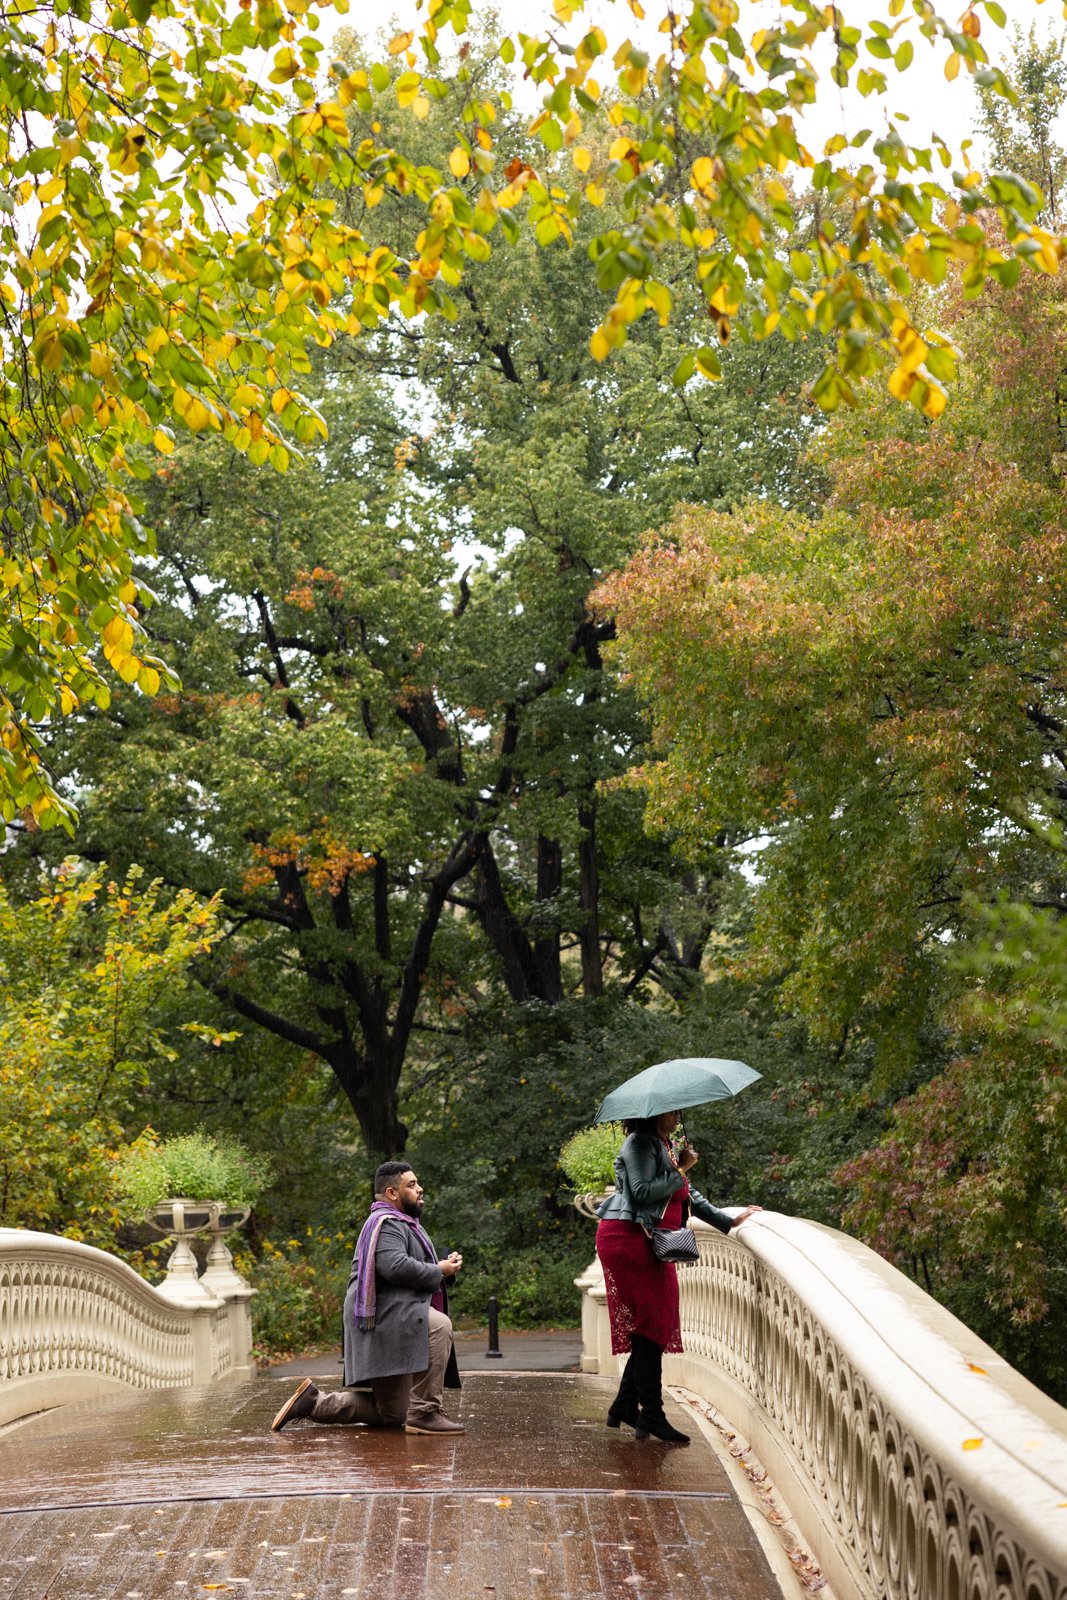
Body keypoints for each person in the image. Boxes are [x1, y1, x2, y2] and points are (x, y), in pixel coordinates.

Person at [595, 1110, 761, 1445]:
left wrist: (729, 1221)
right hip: (627, 1239)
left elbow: (686, 1195)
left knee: (653, 1322)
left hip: (649, 1241)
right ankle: (650, 1412)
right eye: (673, 1112)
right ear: (656, 1113)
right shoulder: (639, 1143)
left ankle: (627, 1405)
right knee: (651, 1323)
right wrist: (681, 1167)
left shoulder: (663, 1144)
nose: (678, 1116)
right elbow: (642, 1191)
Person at [271, 1160, 465, 1437]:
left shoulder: (405, 1223)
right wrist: (439, 1270)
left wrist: (444, 1268)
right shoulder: (386, 1223)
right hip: (385, 1317)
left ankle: (313, 1403)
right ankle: (425, 1414)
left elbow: (407, 1266)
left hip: (395, 1315)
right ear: (391, 1193)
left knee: (392, 1413)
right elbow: (395, 1266)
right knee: (438, 1325)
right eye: (411, 1185)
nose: (420, 1189)